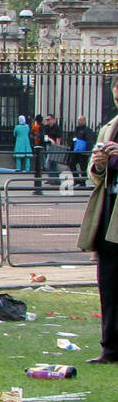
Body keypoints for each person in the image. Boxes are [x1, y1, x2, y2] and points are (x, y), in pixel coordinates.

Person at [76, 76, 118, 364]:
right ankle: (110, 347)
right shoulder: (109, 127)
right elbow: (95, 174)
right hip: (109, 209)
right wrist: (100, 164)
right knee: (109, 281)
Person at [42, 113, 63, 180]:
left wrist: (57, 148)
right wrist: (49, 140)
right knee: (51, 163)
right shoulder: (46, 127)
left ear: (53, 120)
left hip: (54, 147)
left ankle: (56, 179)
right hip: (48, 145)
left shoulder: (57, 128)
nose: (47, 121)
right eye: (46, 120)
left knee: (50, 163)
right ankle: (52, 178)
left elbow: (58, 139)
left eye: (48, 119)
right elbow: (45, 137)